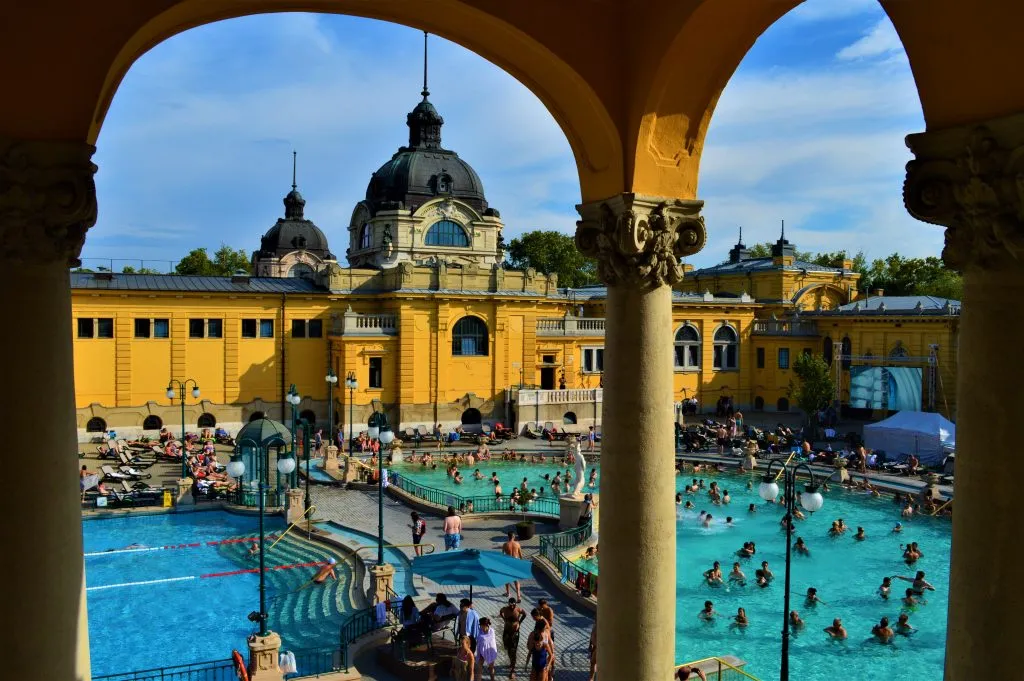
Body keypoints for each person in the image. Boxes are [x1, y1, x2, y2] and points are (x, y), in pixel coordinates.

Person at [500, 598, 526, 679]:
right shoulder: (505, 609)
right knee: (507, 648)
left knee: (513, 650)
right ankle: (511, 662)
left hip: (515, 633)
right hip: (507, 631)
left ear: (515, 604)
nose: (512, 607)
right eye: (510, 605)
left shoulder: (518, 609)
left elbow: (525, 614)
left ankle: (513, 670)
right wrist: (504, 619)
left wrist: (519, 622)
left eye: (513, 605)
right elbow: (501, 612)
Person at [502, 531, 523, 601]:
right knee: (516, 580)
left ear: (508, 537)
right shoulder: (517, 544)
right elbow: (520, 555)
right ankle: (518, 596)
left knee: (506, 579)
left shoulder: (505, 545)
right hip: (515, 563)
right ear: (514, 536)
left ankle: (508, 593)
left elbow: (502, 556)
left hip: (508, 563)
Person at [587, 613, 597, 681]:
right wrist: (590, 644)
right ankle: (591, 678)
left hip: (598, 647)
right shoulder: (595, 625)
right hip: (595, 647)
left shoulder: (602, 626)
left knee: (593, 662)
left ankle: (591, 678)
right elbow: (592, 635)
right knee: (593, 662)